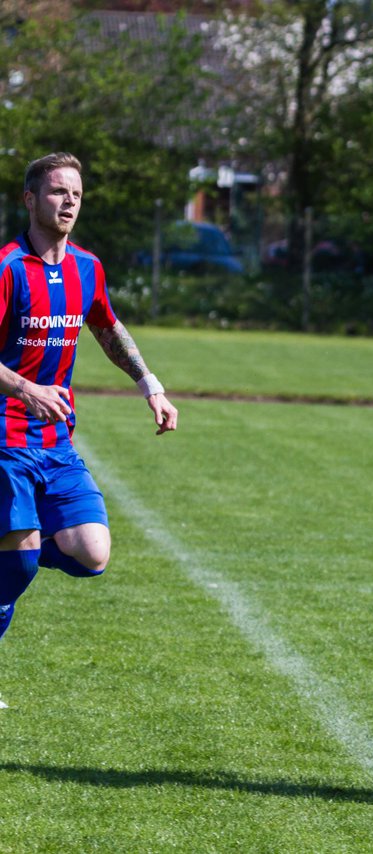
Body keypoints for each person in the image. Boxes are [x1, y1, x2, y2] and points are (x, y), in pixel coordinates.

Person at [0, 153, 179, 704]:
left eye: (76, 192)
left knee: (92, 552)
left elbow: (105, 324)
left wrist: (149, 382)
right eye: (57, 191)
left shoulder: (87, 267)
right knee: (23, 561)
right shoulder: (7, 267)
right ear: (30, 200)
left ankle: (10, 546)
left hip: (57, 442)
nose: (70, 201)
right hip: (4, 437)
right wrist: (27, 390)